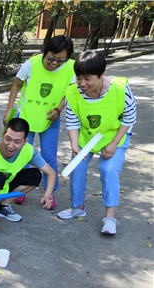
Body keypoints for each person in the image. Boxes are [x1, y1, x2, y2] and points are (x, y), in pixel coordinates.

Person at [57, 51, 136, 235]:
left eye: (88, 79)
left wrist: (114, 143)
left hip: (115, 135)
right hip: (87, 135)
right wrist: (75, 145)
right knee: (77, 167)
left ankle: (110, 217)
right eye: (78, 77)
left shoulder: (120, 89)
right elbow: (72, 120)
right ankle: (78, 207)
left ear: (101, 75)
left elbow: (130, 117)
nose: (82, 83)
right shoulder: (73, 91)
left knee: (108, 169)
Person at [3, 35, 75, 209]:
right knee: (22, 154)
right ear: (45, 52)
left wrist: (58, 110)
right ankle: (19, 191)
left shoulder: (71, 68)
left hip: (50, 119)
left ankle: (50, 193)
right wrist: (9, 110)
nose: (54, 63)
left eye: (60, 60)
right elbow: (16, 85)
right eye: (51, 57)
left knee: (49, 156)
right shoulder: (31, 64)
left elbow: (70, 92)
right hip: (26, 116)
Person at [0, 118, 56, 233]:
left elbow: (51, 173)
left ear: (25, 141)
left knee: (35, 175)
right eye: (8, 139)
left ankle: (2, 206)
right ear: (3, 134)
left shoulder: (29, 150)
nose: (11, 146)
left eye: (17, 142)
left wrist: (47, 195)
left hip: (4, 183)